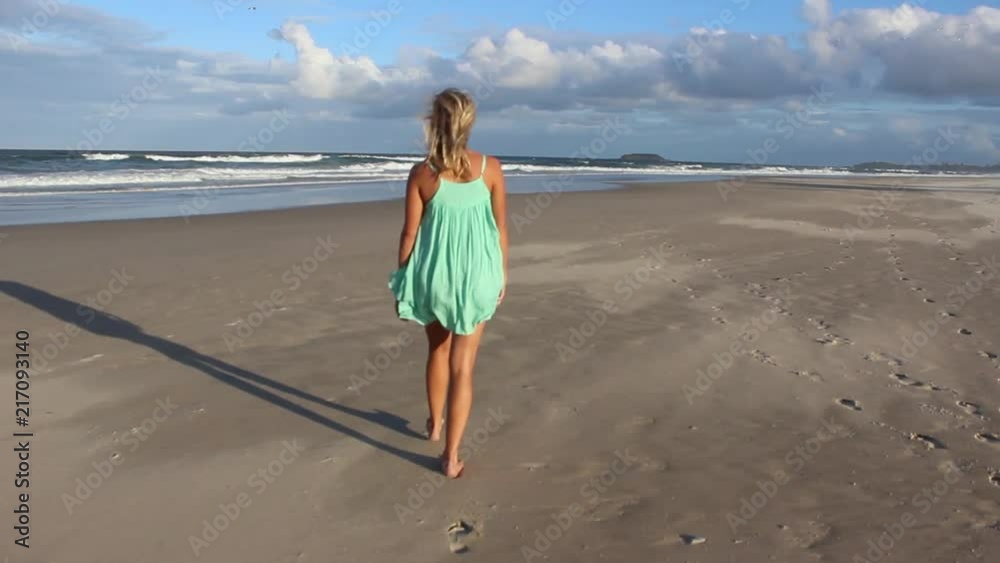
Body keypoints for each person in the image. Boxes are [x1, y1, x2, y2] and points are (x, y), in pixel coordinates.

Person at [389, 88, 508, 479]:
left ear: (433, 123)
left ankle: (435, 423)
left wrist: (403, 281)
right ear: (469, 123)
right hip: (478, 277)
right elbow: (499, 228)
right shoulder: (491, 168)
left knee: (437, 350)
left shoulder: (422, 174)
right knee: (463, 366)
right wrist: (502, 273)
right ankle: (451, 456)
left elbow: (409, 234)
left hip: (435, 277)